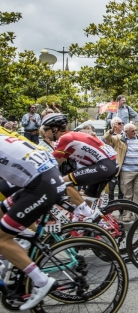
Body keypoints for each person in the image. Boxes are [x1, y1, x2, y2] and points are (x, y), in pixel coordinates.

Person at [0, 127, 66, 309]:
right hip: (42, 180)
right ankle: (9, 259)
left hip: (41, 186)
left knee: (1, 239)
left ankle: (41, 281)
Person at [104, 122, 138, 220]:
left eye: (136, 130)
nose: (135, 132)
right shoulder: (119, 139)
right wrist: (112, 130)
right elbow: (107, 138)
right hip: (126, 171)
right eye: (132, 131)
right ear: (126, 132)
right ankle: (127, 214)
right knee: (127, 194)